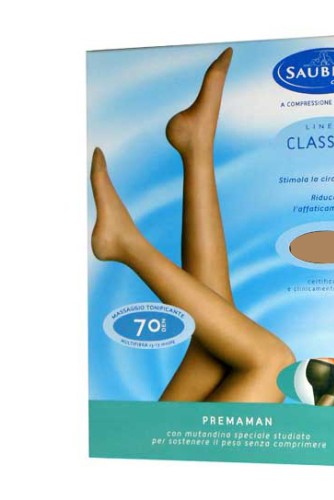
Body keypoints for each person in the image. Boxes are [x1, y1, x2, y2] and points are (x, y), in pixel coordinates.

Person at [90, 48, 295, 403]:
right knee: (212, 353)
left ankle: (127, 244)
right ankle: (197, 146)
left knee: (272, 364)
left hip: (154, 440)